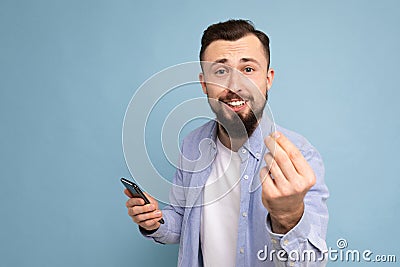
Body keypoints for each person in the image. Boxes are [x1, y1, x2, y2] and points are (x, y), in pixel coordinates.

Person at [124, 19, 329, 267]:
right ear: (204, 84)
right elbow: (184, 223)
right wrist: (155, 221)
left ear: (268, 79)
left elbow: (311, 263)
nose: (235, 86)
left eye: (248, 70)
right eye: (220, 72)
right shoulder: (192, 144)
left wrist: (289, 216)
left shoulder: (300, 156)